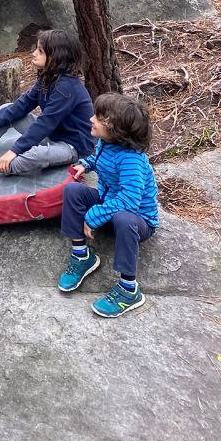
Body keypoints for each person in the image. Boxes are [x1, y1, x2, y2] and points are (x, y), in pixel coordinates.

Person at [0, 29, 94, 183]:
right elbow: (24, 103)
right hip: (53, 135)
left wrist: (14, 151)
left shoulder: (67, 87)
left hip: (72, 147)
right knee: (5, 109)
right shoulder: (48, 76)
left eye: (40, 51)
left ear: (56, 57)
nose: (33, 53)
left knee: (36, 156)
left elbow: (45, 123)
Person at [56, 92, 158, 318]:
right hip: (110, 202)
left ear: (117, 130)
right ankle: (82, 255)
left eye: (99, 117)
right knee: (73, 191)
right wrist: (86, 164)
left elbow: (130, 201)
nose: (92, 119)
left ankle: (128, 289)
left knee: (124, 217)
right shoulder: (105, 143)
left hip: (137, 220)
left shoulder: (132, 160)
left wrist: (94, 215)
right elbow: (98, 159)